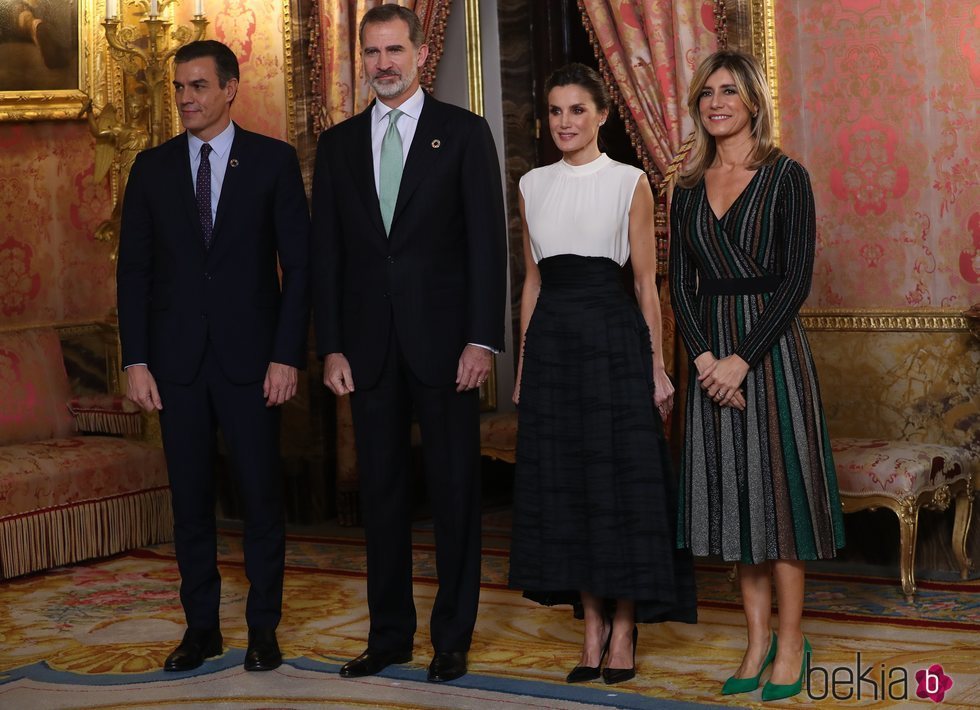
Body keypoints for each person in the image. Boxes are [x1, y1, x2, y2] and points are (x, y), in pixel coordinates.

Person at [310, 6, 506, 684]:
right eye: (372, 52)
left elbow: (489, 244)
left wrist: (483, 339)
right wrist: (330, 346)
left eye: (395, 49)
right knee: (383, 496)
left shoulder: (463, 134)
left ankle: (452, 636)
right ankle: (389, 635)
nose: (383, 63)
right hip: (367, 350)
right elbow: (325, 258)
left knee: (454, 493)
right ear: (360, 59)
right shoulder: (336, 147)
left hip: (449, 347)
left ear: (421, 53)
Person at [117, 39, 310, 673]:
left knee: (260, 500)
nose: (184, 99)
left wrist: (286, 357)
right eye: (178, 88)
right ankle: (200, 629)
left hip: (253, 364)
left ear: (230, 88)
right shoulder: (151, 167)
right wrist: (136, 360)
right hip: (175, 366)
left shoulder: (273, 162)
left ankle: (263, 631)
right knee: (191, 504)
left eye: (197, 86)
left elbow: (298, 268)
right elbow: (134, 272)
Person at [508, 62, 697, 686]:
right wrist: (523, 368)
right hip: (554, 347)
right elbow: (531, 284)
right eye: (556, 111)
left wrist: (656, 369)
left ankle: (624, 625)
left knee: (620, 485)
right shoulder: (531, 184)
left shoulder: (630, 181)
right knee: (570, 487)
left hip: (615, 341)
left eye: (578, 110)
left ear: (603, 116)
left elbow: (646, 284)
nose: (565, 122)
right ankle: (589, 626)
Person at [669, 49, 845, 701]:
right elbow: (681, 286)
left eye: (729, 91)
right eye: (707, 93)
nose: (716, 102)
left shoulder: (786, 176)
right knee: (737, 509)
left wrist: (741, 357)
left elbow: (796, 278)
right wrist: (704, 359)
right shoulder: (684, 187)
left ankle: (791, 644)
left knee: (780, 505)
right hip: (710, 357)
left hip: (769, 355)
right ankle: (753, 641)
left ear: (752, 102)